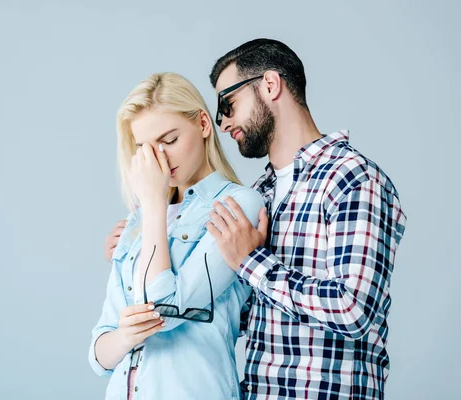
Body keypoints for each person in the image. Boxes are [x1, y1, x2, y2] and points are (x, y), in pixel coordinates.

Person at [105, 39, 407, 400]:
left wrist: (251, 261)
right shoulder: (258, 193)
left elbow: (353, 309)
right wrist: (142, 255)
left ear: (270, 85)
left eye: (228, 103)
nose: (222, 121)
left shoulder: (351, 178)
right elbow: (233, 317)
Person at [89, 72, 264, 400]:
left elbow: (165, 310)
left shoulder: (239, 206)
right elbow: (99, 355)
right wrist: (125, 337)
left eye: (169, 140)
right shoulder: (136, 223)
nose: (159, 159)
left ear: (202, 124)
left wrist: (154, 203)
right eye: (144, 148)